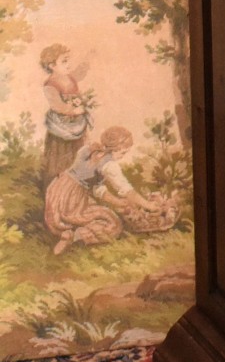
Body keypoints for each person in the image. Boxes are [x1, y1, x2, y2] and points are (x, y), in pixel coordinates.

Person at [44, 126, 172, 254]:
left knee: (84, 214)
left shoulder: (88, 149)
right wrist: (148, 205)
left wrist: (117, 202)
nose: (122, 157)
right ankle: (74, 236)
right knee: (114, 225)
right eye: (123, 153)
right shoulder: (109, 165)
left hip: (58, 189)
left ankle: (65, 232)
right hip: (73, 199)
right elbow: (127, 190)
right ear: (115, 149)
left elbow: (97, 188)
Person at [40, 43, 92, 184]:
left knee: (79, 152)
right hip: (61, 126)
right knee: (61, 155)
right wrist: (73, 110)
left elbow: (80, 73)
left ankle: (78, 183)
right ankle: (58, 185)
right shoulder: (50, 84)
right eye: (64, 61)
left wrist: (88, 60)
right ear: (52, 66)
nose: (68, 64)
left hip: (76, 124)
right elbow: (56, 106)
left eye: (68, 60)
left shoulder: (70, 77)